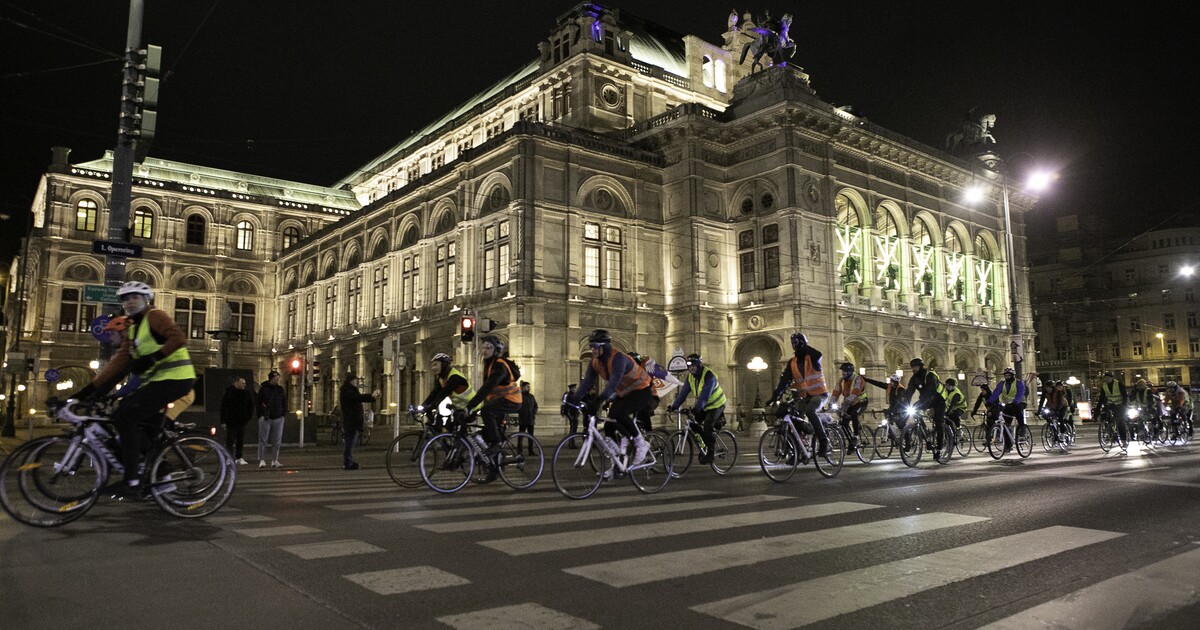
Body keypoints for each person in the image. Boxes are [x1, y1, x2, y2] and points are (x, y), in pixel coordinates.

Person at [71, 281, 196, 498]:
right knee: (141, 426)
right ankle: (161, 476)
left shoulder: (154, 316)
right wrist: (83, 394)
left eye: (134, 297)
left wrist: (153, 358)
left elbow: (178, 338)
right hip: (158, 383)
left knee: (125, 416)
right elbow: (117, 368)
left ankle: (132, 480)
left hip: (178, 380)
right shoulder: (134, 330)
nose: (129, 302)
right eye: (125, 299)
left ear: (145, 299)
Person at [567, 329, 653, 472]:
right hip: (625, 393)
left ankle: (641, 444)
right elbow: (587, 382)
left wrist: (599, 400)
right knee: (608, 426)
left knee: (619, 414)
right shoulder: (595, 362)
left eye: (595, 346)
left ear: (604, 347)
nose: (592, 349)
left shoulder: (618, 358)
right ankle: (617, 465)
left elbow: (613, 382)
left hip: (641, 390)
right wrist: (574, 400)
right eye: (591, 346)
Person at [463, 335, 524, 479]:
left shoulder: (499, 365)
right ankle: (494, 469)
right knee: (487, 433)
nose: (484, 350)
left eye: (488, 347)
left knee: (486, 412)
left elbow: (487, 387)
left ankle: (497, 443)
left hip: (512, 400)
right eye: (483, 347)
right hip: (499, 402)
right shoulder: (489, 364)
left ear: (496, 350)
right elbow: (489, 392)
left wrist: (471, 406)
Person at [766, 332, 831, 458]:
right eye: (793, 343)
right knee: (793, 416)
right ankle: (798, 452)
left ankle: (824, 442)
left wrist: (805, 347)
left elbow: (819, 354)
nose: (794, 345)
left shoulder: (812, 358)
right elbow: (785, 380)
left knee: (810, 411)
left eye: (796, 342)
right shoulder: (792, 362)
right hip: (805, 396)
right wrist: (775, 396)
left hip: (820, 394)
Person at [666, 353, 727, 464]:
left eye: (693, 365)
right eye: (689, 366)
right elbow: (683, 394)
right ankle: (705, 445)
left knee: (708, 425)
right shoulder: (690, 378)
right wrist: (674, 406)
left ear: (699, 365)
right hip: (705, 406)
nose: (691, 368)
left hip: (717, 405)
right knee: (693, 424)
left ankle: (710, 453)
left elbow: (704, 395)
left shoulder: (709, 375)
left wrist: (696, 409)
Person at [419, 352, 475, 431]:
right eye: (432, 365)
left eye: (435, 364)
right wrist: (423, 405)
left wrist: (431, 407)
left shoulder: (455, 376)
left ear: (444, 364)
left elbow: (443, 394)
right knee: (447, 429)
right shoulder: (442, 378)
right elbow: (434, 393)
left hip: (472, 407)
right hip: (460, 407)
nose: (433, 368)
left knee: (458, 433)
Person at [906, 358, 948, 453]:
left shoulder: (930, 375)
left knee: (938, 421)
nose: (914, 369)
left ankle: (940, 445)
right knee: (915, 412)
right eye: (912, 367)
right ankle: (926, 434)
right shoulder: (914, 378)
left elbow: (931, 392)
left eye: (916, 366)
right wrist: (904, 404)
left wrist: (919, 403)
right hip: (927, 400)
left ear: (920, 366)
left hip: (939, 399)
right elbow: (909, 392)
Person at [339, 373, 380, 470]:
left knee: (351, 442)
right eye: (355, 380)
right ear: (351, 381)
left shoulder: (349, 390)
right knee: (350, 443)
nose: (356, 382)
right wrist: (372, 396)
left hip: (353, 420)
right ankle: (348, 463)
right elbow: (359, 397)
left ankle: (349, 462)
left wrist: (372, 397)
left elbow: (358, 397)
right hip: (351, 421)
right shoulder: (347, 391)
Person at [986, 367, 1027, 450]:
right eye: (1006, 375)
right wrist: (990, 401)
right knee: (1005, 424)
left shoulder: (1019, 383)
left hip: (1019, 402)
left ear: (1012, 376)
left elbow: (1021, 392)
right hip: (1008, 404)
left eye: (1009, 375)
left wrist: (1016, 401)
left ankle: (1022, 429)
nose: (1007, 377)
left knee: (1018, 413)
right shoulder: (1002, 384)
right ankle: (1008, 445)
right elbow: (996, 393)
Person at [831, 362, 868, 448]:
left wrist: (847, 401)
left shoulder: (858, 379)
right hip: (849, 403)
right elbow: (836, 392)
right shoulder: (841, 380)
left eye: (845, 371)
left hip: (861, 402)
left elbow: (856, 391)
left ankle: (856, 436)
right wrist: (831, 403)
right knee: (843, 422)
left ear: (851, 372)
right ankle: (851, 441)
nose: (843, 373)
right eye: (843, 371)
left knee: (854, 414)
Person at [220, 376, 255, 464]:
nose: (244, 385)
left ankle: (239, 457)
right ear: (236, 383)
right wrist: (223, 421)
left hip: (242, 421)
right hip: (231, 421)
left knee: (240, 440)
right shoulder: (229, 393)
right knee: (230, 440)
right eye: (242, 383)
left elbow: (250, 406)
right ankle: (229, 458)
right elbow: (223, 407)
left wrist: (247, 417)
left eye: (245, 383)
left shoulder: (246, 393)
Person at [257, 370, 287, 468]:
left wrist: (283, 415)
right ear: (271, 379)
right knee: (263, 440)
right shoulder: (263, 389)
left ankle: (275, 460)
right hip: (266, 417)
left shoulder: (280, 389)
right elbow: (258, 402)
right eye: (275, 378)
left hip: (278, 417)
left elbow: (284, 402)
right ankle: (262, 460)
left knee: (277, 440)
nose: (277, 379)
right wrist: (260, 415)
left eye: (278, 378)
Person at [1095, 371, 1128, 443]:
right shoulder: (1104, 385)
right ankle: (1111, 432)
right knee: (1105, 416)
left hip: (1119, 404)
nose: (1107, 379)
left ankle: (1124, 440)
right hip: (1111, 404)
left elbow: (1125, 395)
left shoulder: (1118, 384)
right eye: (1105, 378)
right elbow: (1101, 398)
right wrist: (1098, 409)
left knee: (1120, 422)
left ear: (1112, 378)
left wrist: (1124, 405)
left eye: (1108, 377)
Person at [517, 381, 539, 455]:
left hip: (531, 419)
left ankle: (531, 450)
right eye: (527, 387)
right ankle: (519, 451)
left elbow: (535, 406)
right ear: (523, 387)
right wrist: (521, 412)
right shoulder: (520, 396)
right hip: (523, 419)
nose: (528, 388)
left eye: (529, 387)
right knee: (521, 436)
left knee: (531, 436)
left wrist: (534, 413)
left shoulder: (531, 396)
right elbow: (517, 407)